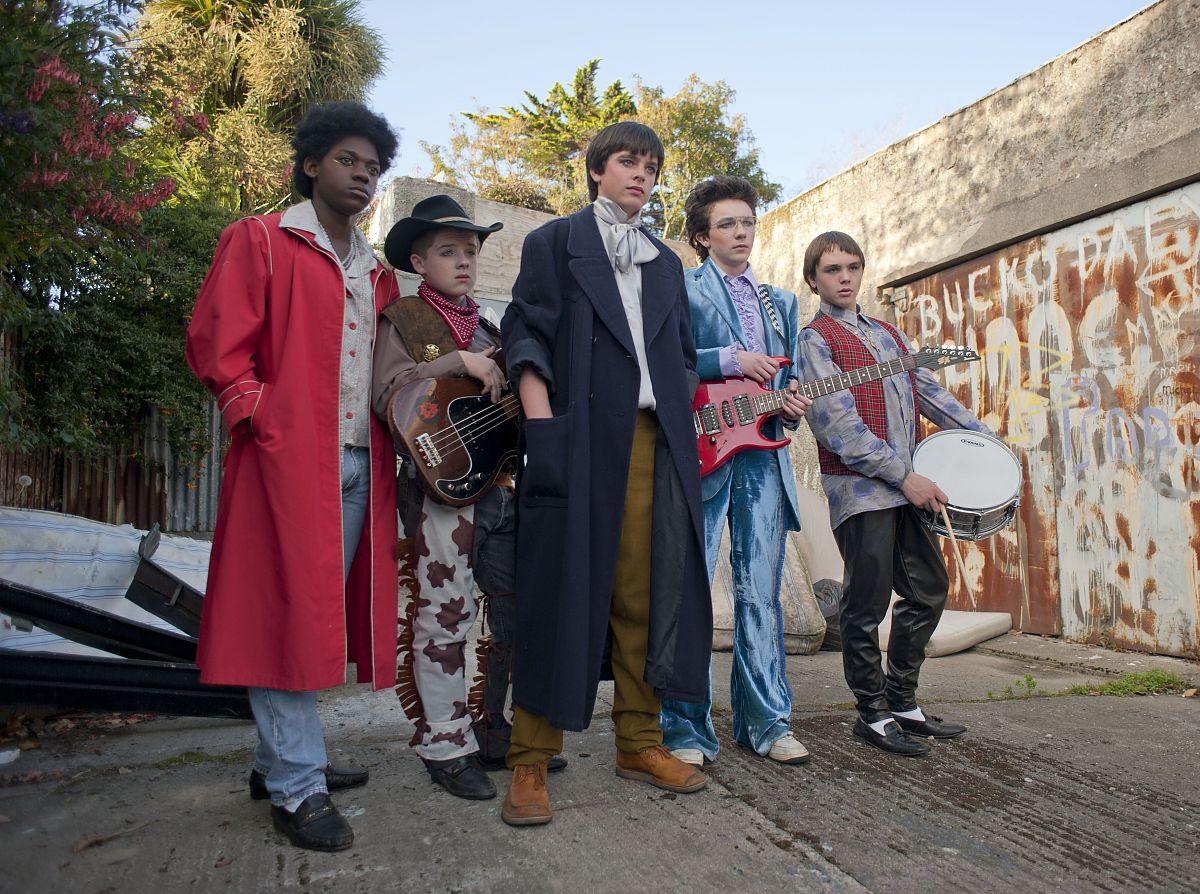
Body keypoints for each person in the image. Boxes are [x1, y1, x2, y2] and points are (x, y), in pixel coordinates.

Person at [185, 101, 400, 850]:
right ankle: (298, 788)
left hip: (358, 467)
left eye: (373, 168)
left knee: (313, 620)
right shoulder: (263, 240)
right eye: (348, 160)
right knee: (280, 615)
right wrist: (260, 420)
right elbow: (217, 340)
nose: (363, 176)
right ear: (312, 163)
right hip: (285, 464)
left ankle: (274, 760)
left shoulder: (377, 275)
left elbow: (389, 373)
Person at [499, 121, 713, 825]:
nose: (641, 175)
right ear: (596, 170)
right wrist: (542, 423)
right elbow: (525, 331)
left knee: (646, 597)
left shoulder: (666, 261)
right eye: (628, 162)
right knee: (557, 590)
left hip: (653, 440)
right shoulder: (554, 243)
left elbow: (681, 355)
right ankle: (529, 762)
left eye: (651, 166)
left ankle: (638, 742)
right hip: (576, 435)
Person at [371, 195, 565, 802]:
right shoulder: (404, 318)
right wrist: (455, 362)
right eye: (448, 251)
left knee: (508, 612)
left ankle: (493, 727)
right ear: (418, 259)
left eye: (471, 251)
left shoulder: (492, 330)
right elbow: (388, 397)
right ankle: (444, 743)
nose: (463, 261)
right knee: (443, 611)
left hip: (500, 490)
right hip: (438, 492)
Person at [796, 231, 988, 756]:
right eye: (832, 269)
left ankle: (903, 700)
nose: (845, 278)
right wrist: (903, 476)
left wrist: (984, 442)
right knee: (866, 603)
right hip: (862, 491)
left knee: (927, 590)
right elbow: (838, 426)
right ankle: (871, 712)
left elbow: (930, 392)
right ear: (813, 278)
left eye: (852, 268)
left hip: (907, 488)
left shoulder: (888, 336)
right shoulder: (814, 341)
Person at [659, 176, 813, 768]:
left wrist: (793, 398)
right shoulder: (683, 287)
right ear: (702, 235)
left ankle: (768, 722)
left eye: (747, 222)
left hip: (765, 454)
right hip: (703, 451)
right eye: (727, 224)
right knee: (689, 591)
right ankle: (685, 730)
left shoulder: (782, 301)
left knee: (761, 594)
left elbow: (788, 374)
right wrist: (727, 358)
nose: (741, 232)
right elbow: (664, 357)